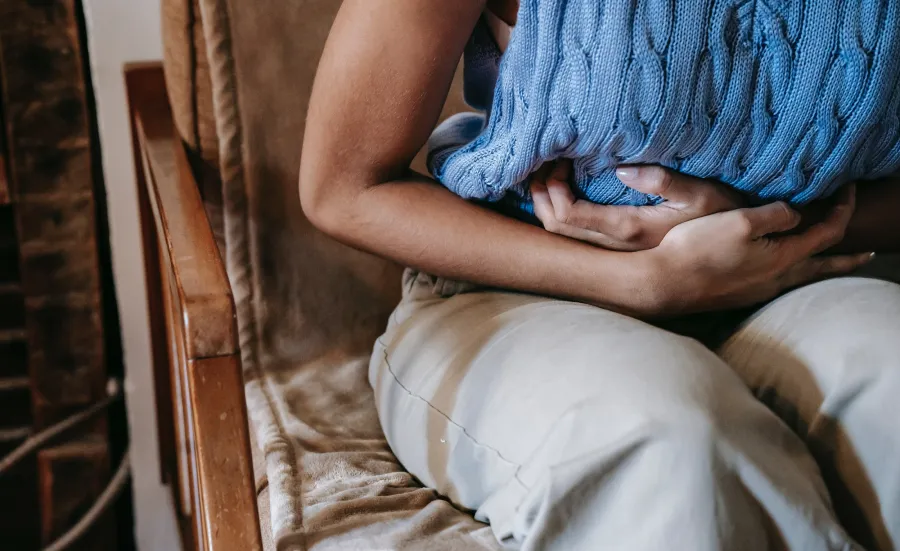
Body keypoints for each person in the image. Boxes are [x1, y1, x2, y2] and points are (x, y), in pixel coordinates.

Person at [299, 1, 900, 549]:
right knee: (675, 446)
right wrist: (647, 283)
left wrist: (765, 228)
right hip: (517, 294)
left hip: (789, 278)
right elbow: (344, 187)